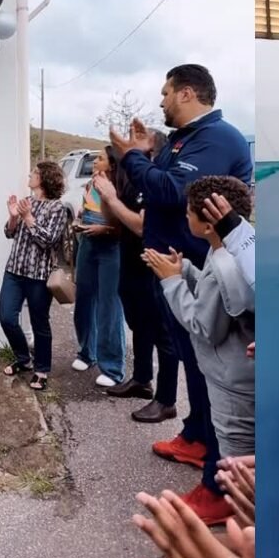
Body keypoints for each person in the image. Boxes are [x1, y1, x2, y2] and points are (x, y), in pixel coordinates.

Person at [111, 64, 253, 524]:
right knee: (195, 366)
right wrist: (150, 150)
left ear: (187, 93)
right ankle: (195, 436)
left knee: (210, 372)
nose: (161, 102)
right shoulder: (182, 140)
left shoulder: (220, 139)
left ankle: (220, 482)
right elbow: (156, 186)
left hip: (201, 278)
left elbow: (171, 191)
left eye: (166, 93)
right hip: (178, 268)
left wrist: (133, 156)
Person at [144, 176, 255, 470]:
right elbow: (219, 297)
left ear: (207, 226)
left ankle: (239, 508)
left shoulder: (221, 264)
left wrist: (171, 282)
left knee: (236, 461)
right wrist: (187, 270)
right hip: (244, 377)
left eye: (188, 213)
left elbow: (205, 327)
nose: (184, 216)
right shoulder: (233, 249)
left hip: (232, 384)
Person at [95, 131, 182, 422]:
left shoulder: (154, 180)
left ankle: (166, 399)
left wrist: (111, 197)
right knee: (139, 325)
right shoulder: (127, 181)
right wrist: (106, 196)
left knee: (163, 332)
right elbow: (114, 221)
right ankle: (142, 379)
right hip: (129, 261)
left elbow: (141, 227)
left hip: (153, 265)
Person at [0, 160, 71, 390]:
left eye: (34, 173)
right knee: (7, 317)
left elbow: (48, 240)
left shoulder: (57, 208)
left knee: (40, 323)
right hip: (14, 270)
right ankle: (23, 359)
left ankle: (42, 370)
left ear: (44, 179)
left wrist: (29, 218)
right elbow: (10, 234)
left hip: (39, 275)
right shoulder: (26, 202)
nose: (29, 175)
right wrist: (12, 217)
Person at [71, 146, 126, 388]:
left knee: (109, 306)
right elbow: (86, 211)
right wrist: (78, 222)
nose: (95, 162)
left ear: (112, 165)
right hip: (87, 242)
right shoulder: (91, 184)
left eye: (101, 158)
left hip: (110, 246)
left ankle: (113, 367)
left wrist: (105, 229)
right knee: (83, 298)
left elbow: (127, 223)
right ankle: (87, 352)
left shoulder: (121, 188)